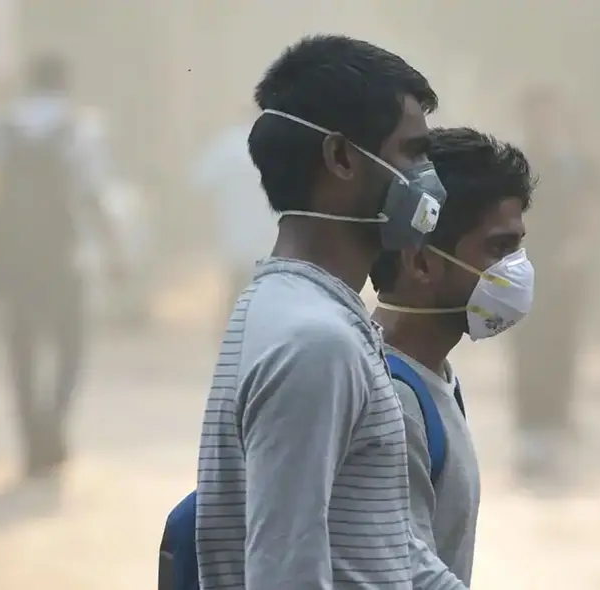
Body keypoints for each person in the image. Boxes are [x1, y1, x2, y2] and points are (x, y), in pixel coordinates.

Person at [194, 35, 468, 590]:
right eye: (412, 153)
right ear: (342, 157)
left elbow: (385, 546)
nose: (427, 180)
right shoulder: (316, 342)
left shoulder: (307, 314)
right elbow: (285, 570)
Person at [370, 127, 536, 585]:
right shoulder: (391, 402)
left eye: (517, 247)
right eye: (500, 248)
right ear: (421, 262)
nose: (516, 271)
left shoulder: (432, 378)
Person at [0, 54, 118, 478]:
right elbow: (94, 193)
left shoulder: (0, 126)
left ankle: (32, 440)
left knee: (22, 349)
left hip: (15, 257)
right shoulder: (81, 127)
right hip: (66, 255)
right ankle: (54, 424)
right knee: (70, 345)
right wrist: (114, 247)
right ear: (66, 83)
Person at [510, 87, 599, 485]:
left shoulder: (569, 165)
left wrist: (579, 248)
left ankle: (557, 425)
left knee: (562, 346)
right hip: (523, 268)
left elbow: (587, 211)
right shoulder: (511, 163)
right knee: (528, 348)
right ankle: (530, 431)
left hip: (563, 273)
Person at [191, 112, 276, 322]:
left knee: (238, 294)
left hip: (236, 238)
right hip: (271, 239)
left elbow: (199, 182)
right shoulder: (277, 145)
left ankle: (232, 343)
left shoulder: (225, 145)